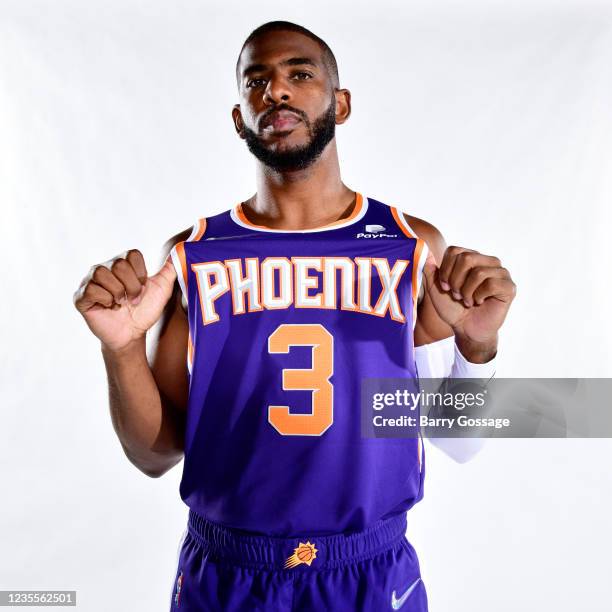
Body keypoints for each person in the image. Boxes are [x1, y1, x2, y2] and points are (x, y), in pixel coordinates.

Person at [73, 20, 516, 612]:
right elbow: (154, 456)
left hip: (368, 569)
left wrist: (476, 349)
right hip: (228, 570)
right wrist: (122, 349)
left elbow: (457, 441)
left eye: (299, 75)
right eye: (256, 81)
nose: (275, 92)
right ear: (238, 119)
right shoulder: (192, 256)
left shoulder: (409, 245)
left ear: (341, 103)